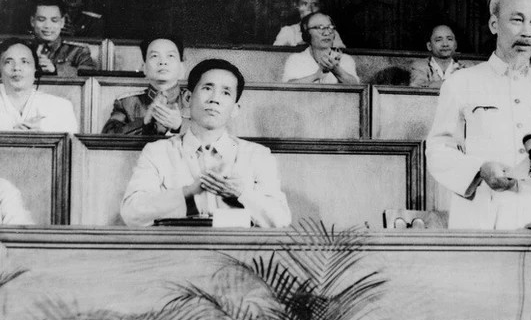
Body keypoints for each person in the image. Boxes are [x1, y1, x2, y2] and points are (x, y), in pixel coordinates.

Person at [426, 0, 531, 230]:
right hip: (483, 217)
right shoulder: (460, 84)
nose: (527, 32)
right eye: (518, 20)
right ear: (494, 24)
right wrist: (479, 170)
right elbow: (438, 151)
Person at [120, 59, 291, 228]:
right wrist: (188, 194)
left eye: (226, 93)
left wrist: (241, 194)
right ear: (187, 98)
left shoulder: (257, 155)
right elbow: (131, 214)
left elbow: (281, 220)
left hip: (237, 253)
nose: (214, 99)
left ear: (235, 109)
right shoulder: (157, 152)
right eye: (207, 88)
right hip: (174, 251)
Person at [103, 36, 188, 136]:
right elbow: (108, 136)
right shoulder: (127, 103)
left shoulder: (193, 101)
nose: (162, 62)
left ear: (182, 68)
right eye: (155, 56)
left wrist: (181, 125)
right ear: (144, 68)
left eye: (170, 56)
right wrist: (144, 122)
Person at [0, 38, 78, 133]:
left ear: (36, 70)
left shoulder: (61, 107)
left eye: (24, 62)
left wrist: (44, 137)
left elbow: (71, 145)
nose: (16, 68)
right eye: (8, 62)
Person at [281, 12, 359, 84]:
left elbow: (358, 88)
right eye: (320, 28)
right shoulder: (295, 60)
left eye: (330, 27)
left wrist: (337, 70)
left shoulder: (345, 59)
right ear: (307, 34)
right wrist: (316, 76)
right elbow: (287, 88)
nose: (327, 33)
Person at [29, 0, 96, 77]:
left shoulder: (79, 52)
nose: (47, 26)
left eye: (54, 20)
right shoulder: (23, 49)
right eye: (41, 19)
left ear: (62, 22)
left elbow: (89, 74)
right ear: (32, 21)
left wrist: (55, 70)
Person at [273, 0, 345, 47]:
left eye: (315, 5)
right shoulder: (288, 31)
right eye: (304, 4)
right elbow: (276, 57)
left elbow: (342, 56)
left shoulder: (330, 32)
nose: (310, 9)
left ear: (320, 8)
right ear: (298, 7)